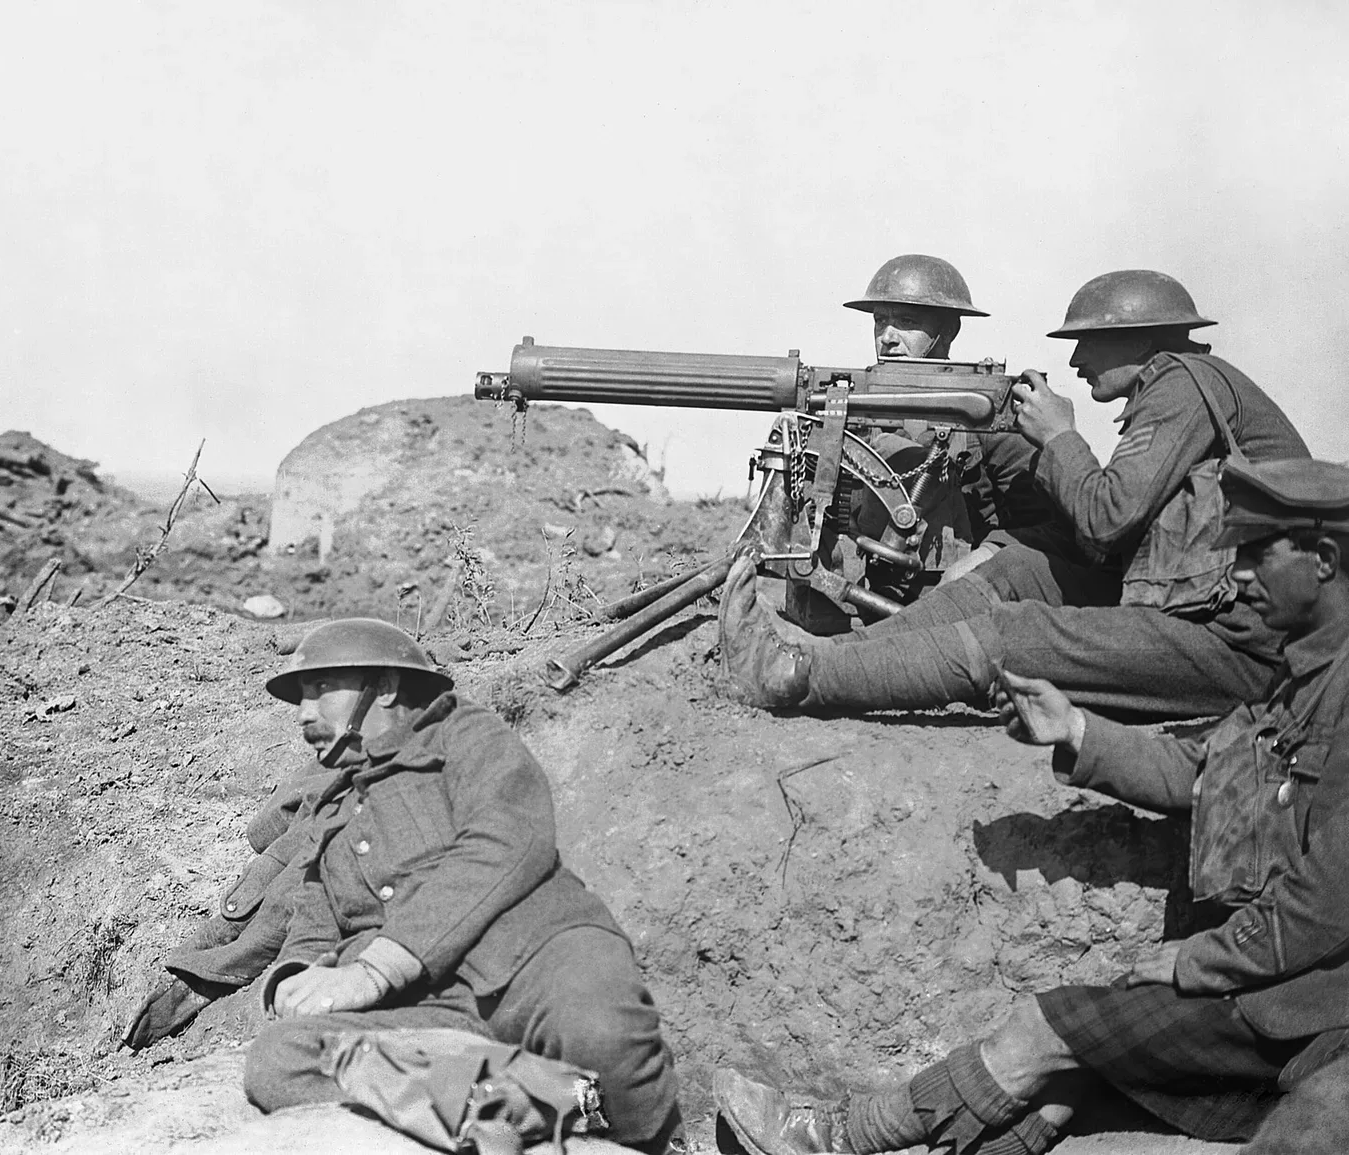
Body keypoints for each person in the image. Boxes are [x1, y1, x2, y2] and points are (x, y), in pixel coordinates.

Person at [712, 455, 1349, 1154]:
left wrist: (1200, 963)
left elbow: (1325, 905)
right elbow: (1211, 774)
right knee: (1061, 1091)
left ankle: (829, 1138)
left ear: (1323, 559)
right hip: (1278, 989)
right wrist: (1074, 729)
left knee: (1043, 1030)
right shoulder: (1308, 676)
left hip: (1305, 1010)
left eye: (1261, 551)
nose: (1242, 572)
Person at [722, 269, 1311, 720]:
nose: (1077, 359)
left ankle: (797, 678)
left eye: (1089, 343)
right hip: (1199, 612)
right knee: (1016, 571)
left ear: (1139, 341)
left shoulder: (1182, 385)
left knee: (1015, 632)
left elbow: (1107, 521)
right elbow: (1112, 537)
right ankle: (823, 659)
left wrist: (1059, 437)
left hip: (1242, 640)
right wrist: (1002, 550)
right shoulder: (1184, 390)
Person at [220, 618, 681, 1151]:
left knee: (603, 1036)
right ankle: (528, 1099)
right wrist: (297, 983)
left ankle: (539, 1106)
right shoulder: (333, 813)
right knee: (281, 1058)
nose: (304, 714)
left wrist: (375, 969)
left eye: (321, 690)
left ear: (385, 687)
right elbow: (312, 931)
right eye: (301, 697)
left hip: (537, 959)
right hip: (437, 1012)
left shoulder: (464, 736)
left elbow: (506, 840)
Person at [843, 254, 1063, 563]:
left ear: (948, 331)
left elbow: (1044, 524)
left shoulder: (985, 409)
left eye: (907, 322)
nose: (887, 337)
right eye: (880, 321)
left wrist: (984, 560)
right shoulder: (859, 406)